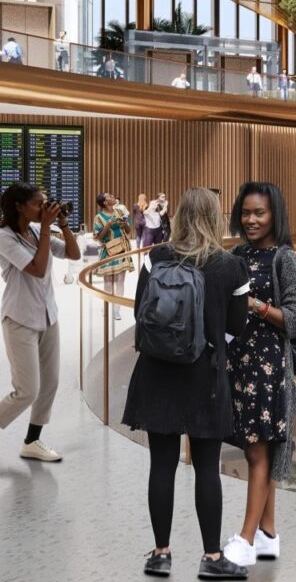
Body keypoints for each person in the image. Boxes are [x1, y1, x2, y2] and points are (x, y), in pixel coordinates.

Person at [121, 187, 249, 580]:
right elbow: (237, 327)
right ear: (214, 217)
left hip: (157, 371)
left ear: (178, 217)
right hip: (205, 375)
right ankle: (212, 558)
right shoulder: (231, 266)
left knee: (162, 465)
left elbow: (141, 311)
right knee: (207, 468)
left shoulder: (156, 257)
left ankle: (161, 554)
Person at [222, 182, 296, 568]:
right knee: (257, 449)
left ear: (275, 214)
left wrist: (255, 305)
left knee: (258, 450)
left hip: (269, 369)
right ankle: (268, 534)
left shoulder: (285, 259)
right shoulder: (237, 254)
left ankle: (245, 540)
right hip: (238, 364)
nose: (251, 219)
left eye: (259, 212)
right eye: (245, 212)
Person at [0, 182, 80, 461]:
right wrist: (46, 228)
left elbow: (73, 254)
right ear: (19, 207)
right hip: (20, 319)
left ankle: (32, 441)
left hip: (48, 316)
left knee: (49, 384)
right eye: (38, 204)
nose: (43, 208)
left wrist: (63, 225)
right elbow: (36, 268)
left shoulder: (36, 230)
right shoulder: (5, 237)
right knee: (27, 391)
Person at [93, 192, 134, 321]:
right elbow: (99, 238)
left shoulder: (120, 212)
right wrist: (108, 225)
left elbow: (129, 230)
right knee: (108, 281)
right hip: (108, 251)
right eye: (110, 197)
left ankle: (117, 308)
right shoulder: (98, 218)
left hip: (122, 249)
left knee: (121, 280)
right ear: (105, 203)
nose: (113, 197)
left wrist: (124, 223)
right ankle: (107, 305)